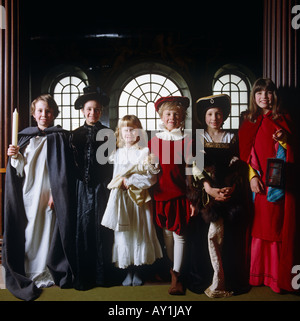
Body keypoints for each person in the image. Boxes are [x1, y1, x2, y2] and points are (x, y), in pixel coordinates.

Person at [3, 94, 76, 301]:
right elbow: (18, 171)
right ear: (34, 114)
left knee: (47, 232)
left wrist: (57, 193)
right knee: (29, 230)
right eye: (40, 111)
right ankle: (29, 271)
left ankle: (45, 270)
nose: (44, 114)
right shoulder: (24, 136)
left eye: (48, 111)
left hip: (50, 193)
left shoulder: (60, 137)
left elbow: (64, 171)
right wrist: (14, 156)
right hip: (28, 192)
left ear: (54, 114)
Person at [238, 78, 300, 293]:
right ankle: (257, 275)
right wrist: (252, 178)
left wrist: (284, 139)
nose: (264, 96)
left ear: (274, 95)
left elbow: (293, 151)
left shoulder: (284, 118)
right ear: (254, 97)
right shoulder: (249, 120)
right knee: (258, 227)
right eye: (259, 93)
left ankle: (277, 278)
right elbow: (246, 154)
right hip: (258, 184)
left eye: (269, 92)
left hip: (280, 184)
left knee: (276, 227)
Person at [186, 94, 251, 298]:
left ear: (223, 116)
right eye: (210, 114)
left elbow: (239, 167)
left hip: (229, 194)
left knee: (229, 239)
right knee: (205, 237)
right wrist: (208, 189)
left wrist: (230, 188)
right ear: (204, 117)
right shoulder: (197, 139)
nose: (214, 117)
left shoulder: (233, 137)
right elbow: (193, 168)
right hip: (206, 196)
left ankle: (228, 279)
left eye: (218, 114)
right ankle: (207, 278)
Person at [101, 115, 162, 286]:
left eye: (132, 129)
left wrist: (131, 181)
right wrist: (119, 184)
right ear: (120, 132)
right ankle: (128, 271)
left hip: (139, 200)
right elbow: (114, 177)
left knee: (139, 232)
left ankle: (139, 271)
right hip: (121, 200)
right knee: (124, 234)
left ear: (139, 132)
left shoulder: (144, 152)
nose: (129, 133)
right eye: (125, 130)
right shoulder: (117, 153)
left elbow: (151, 179)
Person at [148, 96, 192, 295]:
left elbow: (192, 172)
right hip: (160, 195)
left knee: (179, 235)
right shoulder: (153, 141)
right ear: (161, 116)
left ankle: (177, 275)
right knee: (167, 235)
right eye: (168, 114)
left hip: (180, 195)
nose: (172, 117)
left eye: (176, 114)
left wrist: (193, 198)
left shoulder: (189, 140)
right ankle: (173, 267)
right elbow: (150, 172)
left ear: (182, 117)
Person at [71, 86, 114, 290]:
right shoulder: (74, 135)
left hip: (102, 188)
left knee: (102, 229)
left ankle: (103, 276)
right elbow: (71, 167)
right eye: (89, 109)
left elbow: (112, 164)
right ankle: (84, 277)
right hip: (81, 189)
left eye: (96, 110)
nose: (92, 113)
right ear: (83, 111)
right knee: (84, 229)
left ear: (101, 111)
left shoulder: (108, 134)